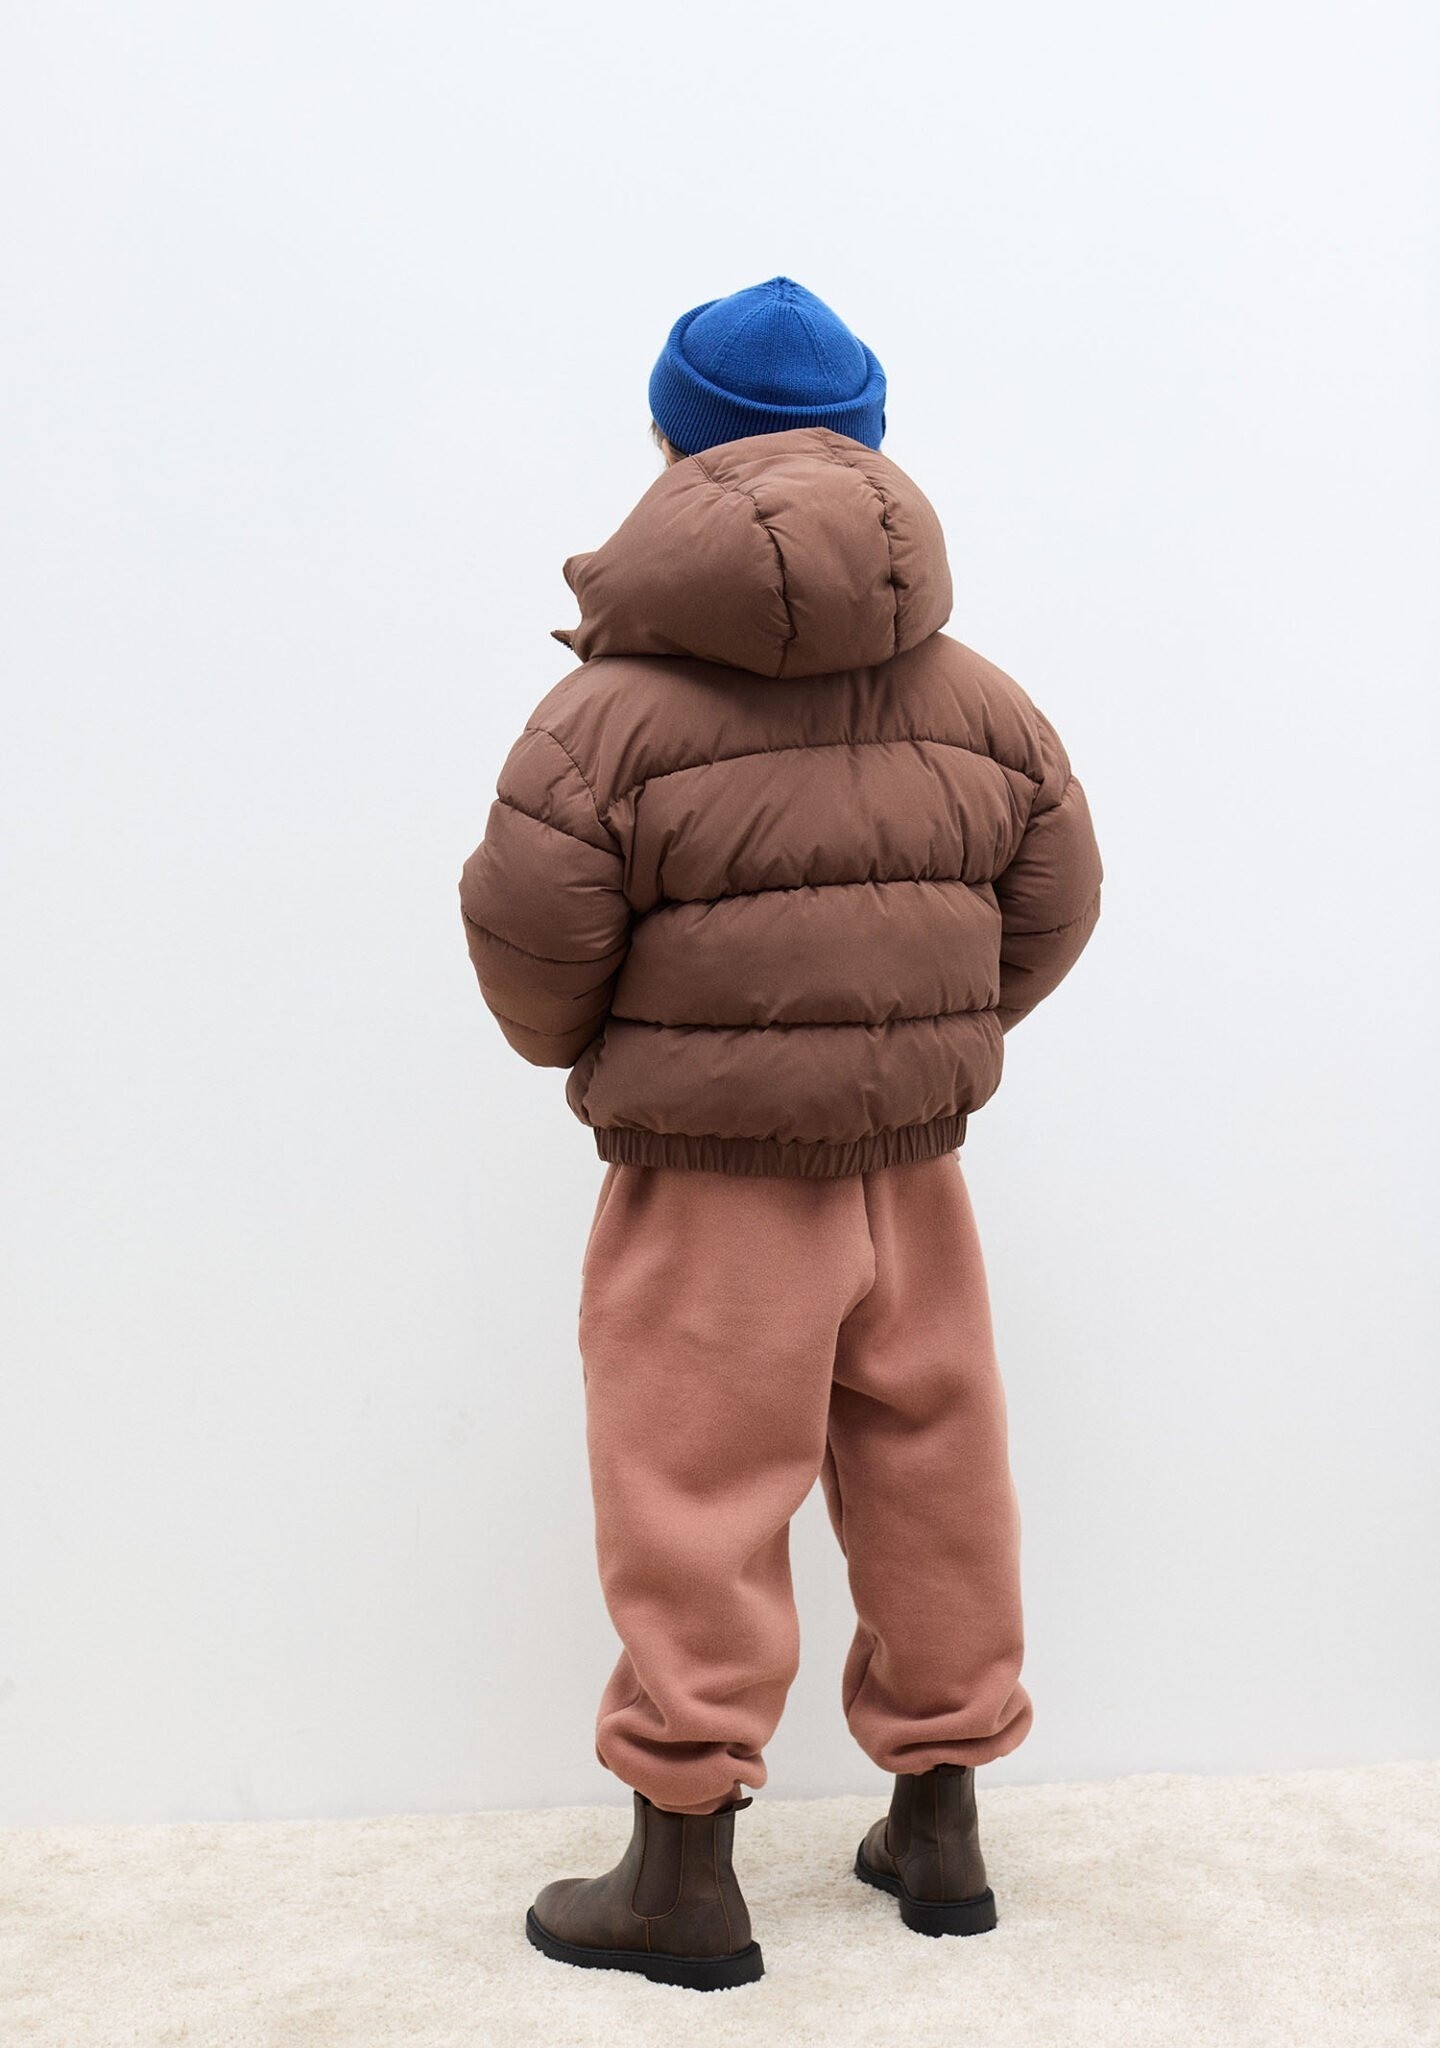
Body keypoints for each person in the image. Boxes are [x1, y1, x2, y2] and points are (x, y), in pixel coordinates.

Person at [457, 274, 1103, 1992]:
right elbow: (1054, 903)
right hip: (916, 1168)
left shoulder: (602, 718)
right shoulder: (984, 700)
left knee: (692, 1488)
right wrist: (911, 1040)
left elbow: (530, 946)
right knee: (934, 1464)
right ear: (873, 451)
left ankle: (682, 1875)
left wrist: (627, 1057)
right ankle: (941, 1828)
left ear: (672, 448)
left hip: (708, 1177)